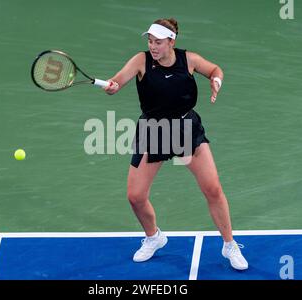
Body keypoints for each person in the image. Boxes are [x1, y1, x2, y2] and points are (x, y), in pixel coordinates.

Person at [103, 18, 248, 270]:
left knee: (212, 189)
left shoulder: (189, 60)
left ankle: (229, 245)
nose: (152, 47)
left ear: (171, 42)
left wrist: (216, 81)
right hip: (153, 130)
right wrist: (112, 86)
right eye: (150, 41)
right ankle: (154, 238)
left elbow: (215, 70)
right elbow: (117, 82)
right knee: (135, 196)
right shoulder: (141, 61)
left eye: (158, 42)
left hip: (185, 129)